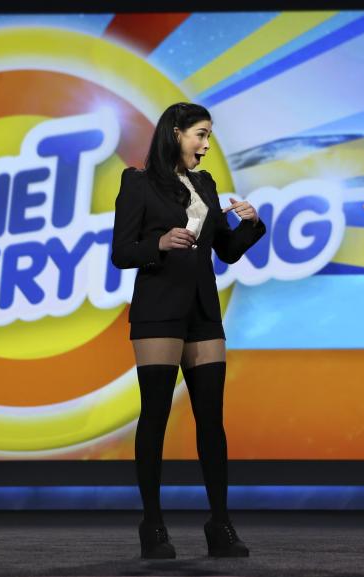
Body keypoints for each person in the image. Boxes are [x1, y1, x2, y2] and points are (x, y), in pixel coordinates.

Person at [111, 102, 266, 559]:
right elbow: (122, 251)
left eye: (209, 136)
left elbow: (228, 252)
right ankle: (153, 526)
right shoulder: (137, 182)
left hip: (202, 311)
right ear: (175, 133)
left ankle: (221, 524)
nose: (205, 145)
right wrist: (157, 243)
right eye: (200, 134)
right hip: (158, 310)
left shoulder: (205, 184)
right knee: (155, 418)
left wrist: (251, 225)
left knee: (211, 422)